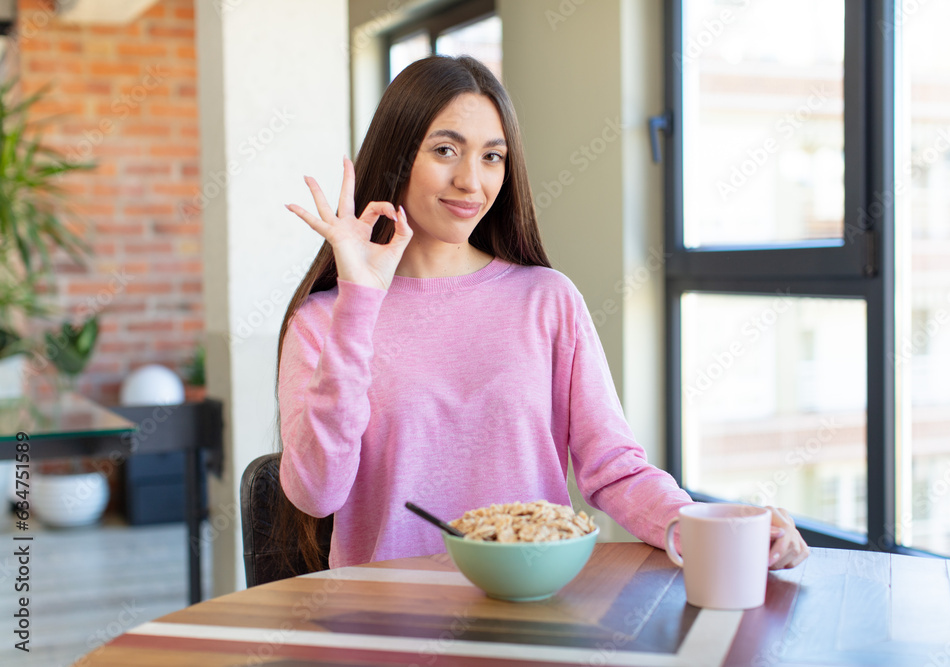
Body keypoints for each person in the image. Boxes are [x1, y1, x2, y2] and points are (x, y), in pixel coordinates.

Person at [276, 55, 809, 572]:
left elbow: (614, 469)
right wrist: (359, 303)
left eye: (492, 157)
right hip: (390, 625)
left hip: (532, 606)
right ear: (397, 156)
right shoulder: (326, 321)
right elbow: (317, 494)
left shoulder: (547, 300)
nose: (471, 181)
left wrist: (709, 526)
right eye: (445, 150)